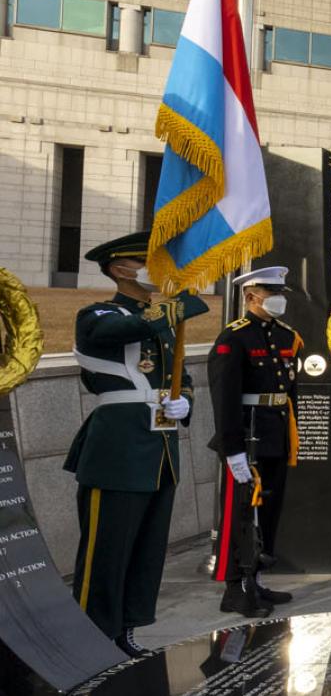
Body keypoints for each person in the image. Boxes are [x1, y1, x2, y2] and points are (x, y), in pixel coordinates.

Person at [63, 232, 207, 653]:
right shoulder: (97, 315)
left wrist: (185, 401)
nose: (155, 269)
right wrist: (178, 296)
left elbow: (181, 376)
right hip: (119, 450)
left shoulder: (161, 319)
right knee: (106, 550)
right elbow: (127, 327)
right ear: (119, 268)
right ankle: (91, 637)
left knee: (145, 551)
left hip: (159, 451)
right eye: (146, 262)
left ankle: (126, 629)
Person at [209, 266, 302, 618]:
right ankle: (235, 587)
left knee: (269, 511)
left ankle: (257, 578)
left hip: (275, 432)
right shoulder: (233, 338)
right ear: (251, 297)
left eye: (281, 292)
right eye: (270, 292)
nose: (279, 298)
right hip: (246, 435)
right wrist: (231, 448)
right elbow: (225, 398)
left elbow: (290, 389)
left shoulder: (285, 336)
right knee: (241, 513)